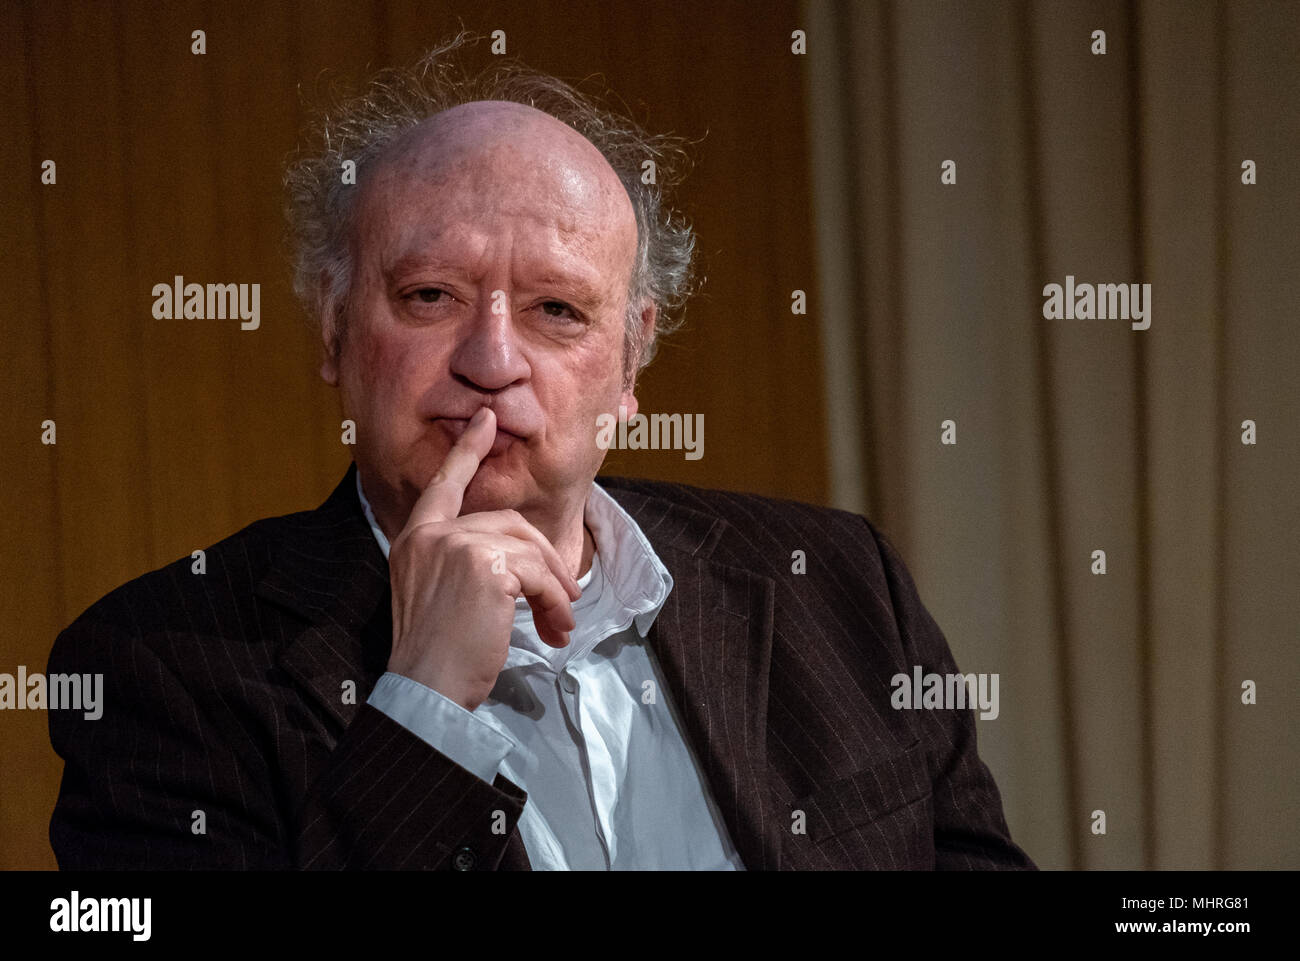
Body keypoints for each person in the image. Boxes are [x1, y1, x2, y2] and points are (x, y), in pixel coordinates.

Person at [48, 35, 1035, 871]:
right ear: (333, 331)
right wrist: (421, 707)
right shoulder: (159, 667)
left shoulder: (841, 583)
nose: (491, 360)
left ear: (630, 361)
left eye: (558, 310)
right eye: (430, 295)